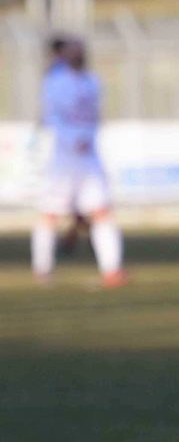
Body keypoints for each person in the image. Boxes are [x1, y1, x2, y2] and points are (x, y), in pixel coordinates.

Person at [30, 35, 126, 288]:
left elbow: (94, 116)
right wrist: (72, 140)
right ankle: (42, 269)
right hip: (63, 159)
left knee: (101, 211)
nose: (77, 55)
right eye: (72, 51)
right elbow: (53, 117)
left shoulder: (93, 81)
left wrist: (87, 139)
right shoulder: (55, 82)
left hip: (89, 157)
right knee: (50, 213)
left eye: (80, 51)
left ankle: (112, 270)